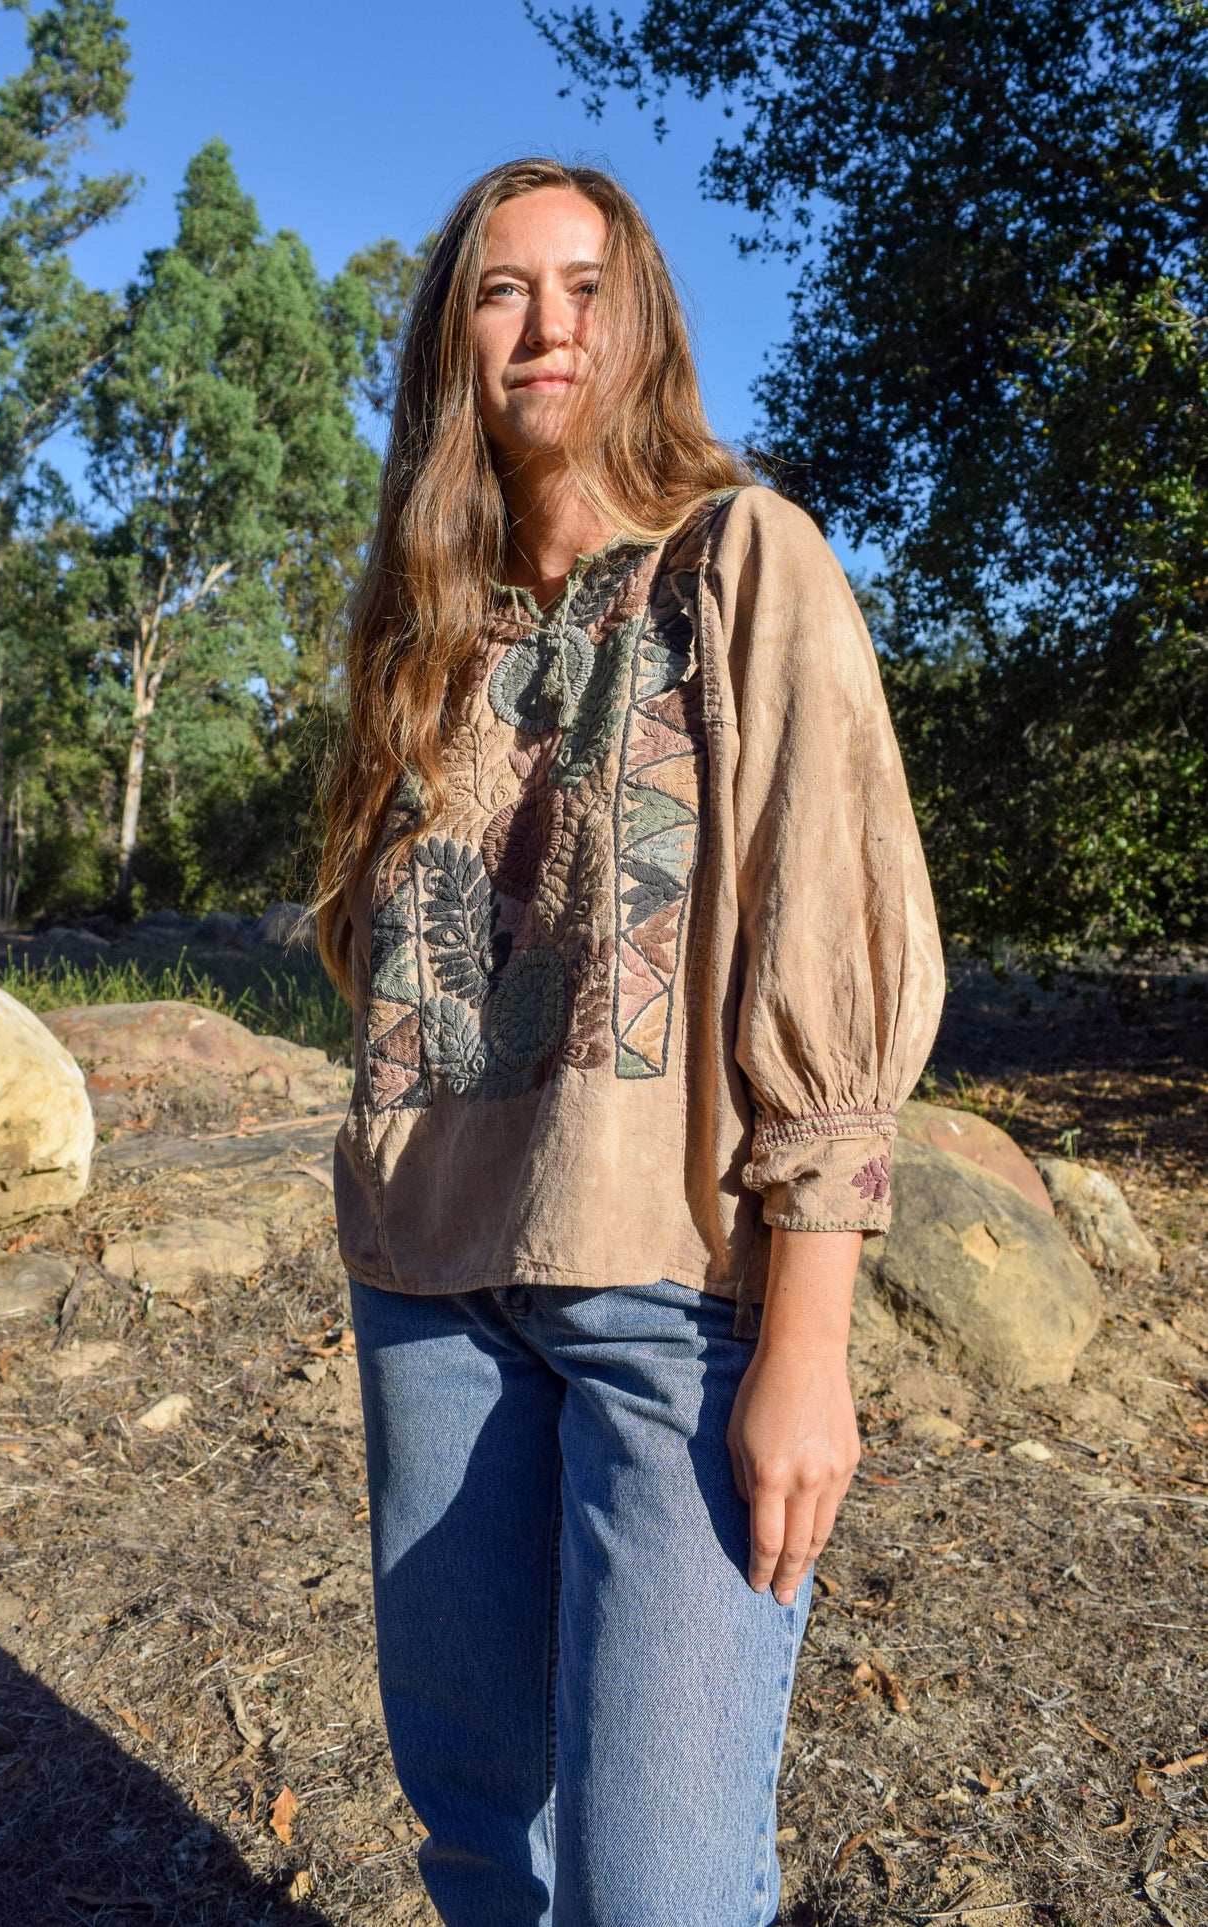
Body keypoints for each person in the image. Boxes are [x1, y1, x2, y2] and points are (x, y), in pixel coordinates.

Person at [314, 157, 944, 1927]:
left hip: (672, 1302)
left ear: (642, 321)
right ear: (454, 337)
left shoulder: (743, 559)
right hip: (429, 1295)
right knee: (478, 1835)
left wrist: (804, 1348)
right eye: (503, 289)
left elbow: (829, 930)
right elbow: (378, 963)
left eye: (585, 287)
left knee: (654, 1886)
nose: (547, 326)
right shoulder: (423, 634)